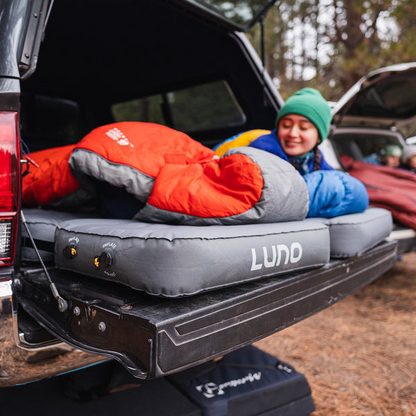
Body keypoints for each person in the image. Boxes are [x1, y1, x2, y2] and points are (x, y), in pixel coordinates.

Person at [214, 88, 369, 218]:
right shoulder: (262, 147)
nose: (293, 133)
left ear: (319, 137)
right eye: (286, 125)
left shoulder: (315, 157)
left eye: (303, 128)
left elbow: (333, 179)